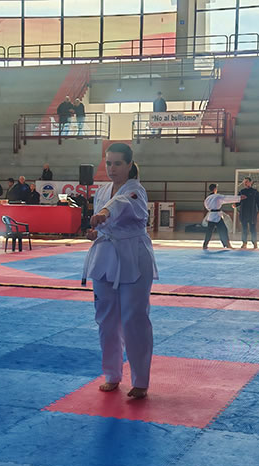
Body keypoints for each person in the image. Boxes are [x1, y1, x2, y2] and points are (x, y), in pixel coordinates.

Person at [82, 142, 157, 399]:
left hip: (133, 257)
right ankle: (112, 374)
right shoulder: (102, 190)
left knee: (134, 318)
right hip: (105, 256)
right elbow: (103, 223)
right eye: (108, 163)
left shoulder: (136, 190)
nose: (112, 168)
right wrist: (95, 231)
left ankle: (140, 380)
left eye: (117, 163)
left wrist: (105, 212)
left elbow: (122, 203)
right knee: (105, 319)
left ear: (129, 165)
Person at [202, 183, 242, 250]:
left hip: (211, 215)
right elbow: (226, 198)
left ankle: (205, 245)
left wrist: (211, 210)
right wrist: (239, 198)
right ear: (215, 189)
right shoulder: (217, 196)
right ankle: (227, 245)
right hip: (217, 215)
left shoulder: (208, 198)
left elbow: (206, 206)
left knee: (209, 231)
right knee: (223, 230)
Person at [237, 177, 259, 248]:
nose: (245, 183)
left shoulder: (255, 192)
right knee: (244, 229)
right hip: (243, 213)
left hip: (252, 213)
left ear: (250, 182)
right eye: (244, 182)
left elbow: (258, 201)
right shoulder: (242, 191)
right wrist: (235, 205)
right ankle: (244, 243)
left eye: (247, 181)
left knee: (253, 229)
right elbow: (238, 200)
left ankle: (254, 243)